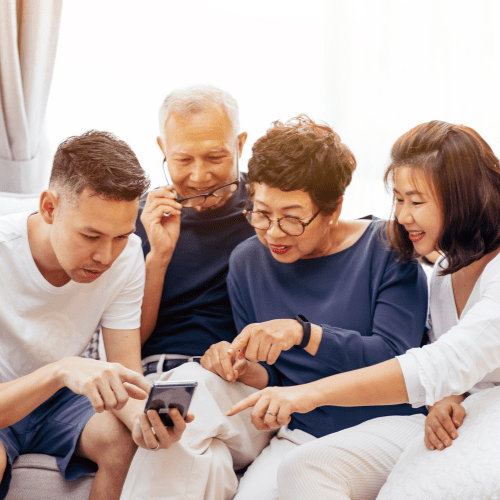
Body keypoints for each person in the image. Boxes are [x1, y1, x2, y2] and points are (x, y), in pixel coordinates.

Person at [229, 120, 500, 500]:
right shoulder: (442, 269)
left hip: (449, 421)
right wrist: (449, 398)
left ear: (463, 199)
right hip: (452, 416)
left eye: (416, 202)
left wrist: (309, 390)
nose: (402, 216)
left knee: (307, 469)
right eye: (399, 200)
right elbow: (457, 367)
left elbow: (440, 362)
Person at [199, 115, 429, 500]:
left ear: (333, 209)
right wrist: (244, 367)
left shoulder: (388, 247)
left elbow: (397, 361)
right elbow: (276, 378)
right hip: (303, 431)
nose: (272, 231)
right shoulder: (246, 262)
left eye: (291, 218)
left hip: (393, 422)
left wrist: (302, 333)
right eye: (261, 212)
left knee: (306, 472)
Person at [0, 131, 190, 500]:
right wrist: (60, 370)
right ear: (50, 208)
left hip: (59, 402)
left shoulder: (128, 256)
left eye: (120, 236)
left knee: (123, 444)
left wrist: (144, 421)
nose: (106, 256)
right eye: (91, 235)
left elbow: (127, 375)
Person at [120, 85, 268, 500]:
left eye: (216, 157)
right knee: (203, 460)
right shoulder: (136, 222)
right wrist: (158, 257)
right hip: (155, 382)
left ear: (240, 144)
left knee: (173, 413)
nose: (199, 175)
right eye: (182, 159)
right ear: (162, 149)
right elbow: (132, 338)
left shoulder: (267, 213)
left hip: (235, 388)